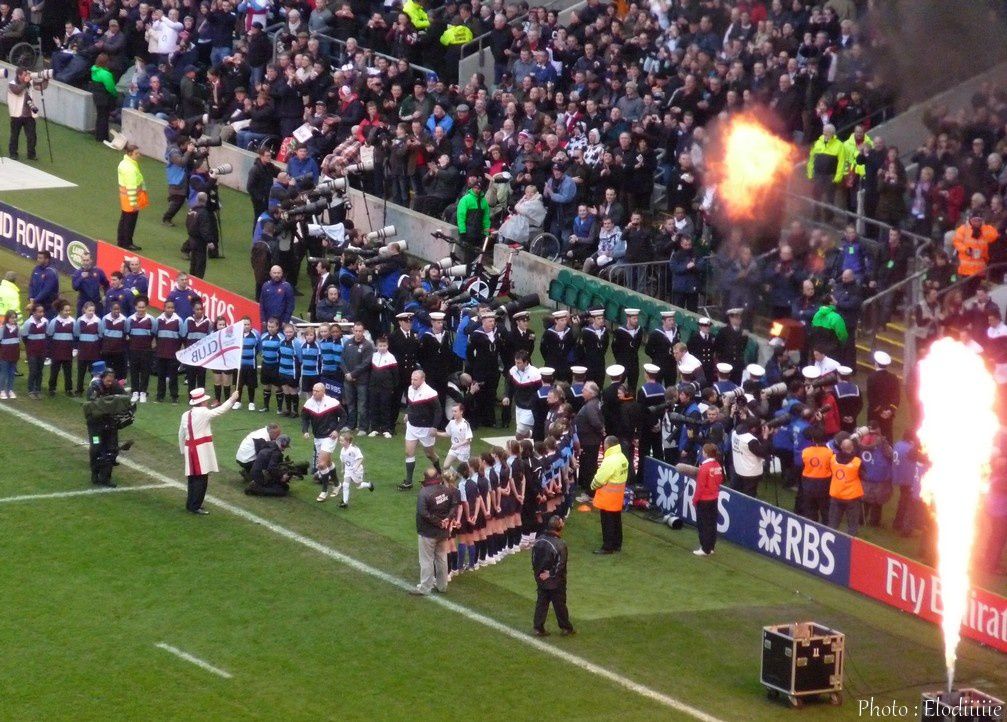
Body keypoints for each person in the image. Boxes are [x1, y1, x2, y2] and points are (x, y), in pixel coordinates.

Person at [178, 386, 240, 514]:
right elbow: (220, 411)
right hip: (200, 449)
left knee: (193, 478)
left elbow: (181, 434)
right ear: (202, 402)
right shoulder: (203, 412)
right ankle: (195, 505)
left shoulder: (186, 414)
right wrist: (232, 399)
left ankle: (191, 504)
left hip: (189, 448)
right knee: (201, 478)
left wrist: (182, 450)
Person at [410, 467, 460, 596]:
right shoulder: (447, 490)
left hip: (428, 533)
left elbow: (423, 513)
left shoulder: (424, 493)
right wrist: (447, 519)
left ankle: (425, 588)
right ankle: (442, 586)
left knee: (426, 560)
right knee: (442, 558)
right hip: (443, 532)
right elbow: (454, 505)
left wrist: (439, 521)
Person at [398, 370, 443, 491]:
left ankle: (440, 474)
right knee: (409, 453)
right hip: (412, 426)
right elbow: (411, 404)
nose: (412, 381)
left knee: (430, 454)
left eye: (415, 380)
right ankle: (408, 482)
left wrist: (434, 426)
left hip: (426, 428)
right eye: (412, 379)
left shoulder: (430, 393)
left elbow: (438, 411)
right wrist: (408, 413)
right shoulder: (410, 388)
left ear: (423, 380)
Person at [531, 514, 575, 637]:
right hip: (556, 581)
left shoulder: (539, 540)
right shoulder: (560, 544)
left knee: (541, 603)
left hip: (540, 578)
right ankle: (566, 627)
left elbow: (534, 559)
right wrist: (550, 574)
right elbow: (560, 565)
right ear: (559, 527)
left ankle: (538, 628)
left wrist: (538, 574)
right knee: (559, 604)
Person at [302, 382, 346, 502]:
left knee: (321, 464)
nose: (314, 393)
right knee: (327, 462)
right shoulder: (309, 403)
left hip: (329, 436)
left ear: (323, 392)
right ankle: (337, 485)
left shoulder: (332, 403)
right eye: (313, 390)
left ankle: (324, 490)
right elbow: (304, 418)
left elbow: (344, 417)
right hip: (317, 436)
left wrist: (337, 431)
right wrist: (305, 431)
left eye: (317, 391)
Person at [591, 435, 628, 554]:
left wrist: (592, 486)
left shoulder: (610, 460)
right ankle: (617, 544)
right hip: (618, 497)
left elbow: (600, 479)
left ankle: (607, 547)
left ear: (608, 445)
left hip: (607, 498)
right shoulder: (622, 457)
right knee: (617, 521)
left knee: (608, 523)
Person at [691, 443, 724, 556]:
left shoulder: (704, 468)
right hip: (714, 498)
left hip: (704, 500)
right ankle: (711, 547)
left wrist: (695, 500)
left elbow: (700, 486)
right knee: (711, 523)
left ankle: (705, 548)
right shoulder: (718, 466)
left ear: (706, 453)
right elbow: (720, 481)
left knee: (703, 524)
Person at [7, 65, 46, 161]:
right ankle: (13, 154)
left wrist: (46, 79)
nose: (26, 76)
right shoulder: (12, 84)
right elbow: (17, 91)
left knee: (32, 136)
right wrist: (26, 82)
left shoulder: (30, 83)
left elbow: (41, 87)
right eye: (24, 75)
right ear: (19, 75)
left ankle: (31, 154)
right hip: (16, 114)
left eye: (27, 74)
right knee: (15, 135)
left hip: (29, 114)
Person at [574, 381, 604, 502]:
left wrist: (602, 430)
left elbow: (595, 421)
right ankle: (589, 489)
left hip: (589, 441)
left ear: (591, 393)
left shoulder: (590, 406)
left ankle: (590, 493)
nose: (582, 391)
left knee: (589, 467)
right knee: (589, 466)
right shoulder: (595, 403)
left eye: (584, 390)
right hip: (591, 440)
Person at [828, 436, 864, 536]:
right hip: (851, 497)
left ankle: (830, 540)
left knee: (833, 523)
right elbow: (864, 475)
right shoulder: (857, 462)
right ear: (852, 448)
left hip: (836, 494)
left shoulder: (833, 458)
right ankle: (851, 544)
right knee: (852, 525)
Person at [117, 144, 147, 251]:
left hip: (125, 197)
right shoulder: (130, 168)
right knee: (130, 221)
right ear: (130, 154)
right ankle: (127, 243)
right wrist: (134, 203)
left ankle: (121, 241)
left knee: (124, 219)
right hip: (131, 198)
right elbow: (131, 187)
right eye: (136, 153)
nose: (138, 155)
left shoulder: (124, 163)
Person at [337, 430, 373, 508]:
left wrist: (356, 467)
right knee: (345, 484)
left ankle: (369, 485)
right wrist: (342, 468)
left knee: (358, 486)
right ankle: (345, 502)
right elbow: (342, 460)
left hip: (357, 471)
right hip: (348, 470)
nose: (340, 442)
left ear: (347, 441)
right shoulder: (342, 450)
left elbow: (360, 458)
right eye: (340, 440)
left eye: (342, 441)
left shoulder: (354, 449)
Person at [185, 192, 216, 279]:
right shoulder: (203, 213)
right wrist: (209, 241)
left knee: (193, 262)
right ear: (206, 200)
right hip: (200, 241)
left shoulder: (191, 210)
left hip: (191, 238)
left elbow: (187, 223)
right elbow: (204, 229)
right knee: (200, 263)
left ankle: (191, 278)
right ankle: (198, 282)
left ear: (197, 199)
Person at [439, 402, 473, 469]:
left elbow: (468, 440)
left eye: (455, 411)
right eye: (452, 411)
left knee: (464, 470)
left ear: (461, 412)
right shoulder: (451, 422)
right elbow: (448, 433)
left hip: (463, 451)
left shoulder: (465, 424)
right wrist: (437, 433)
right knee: (445, 466)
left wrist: (457, 445)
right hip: (454, 449)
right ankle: (453, 475)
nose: (453, 413)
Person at [27, 251, 59, 318]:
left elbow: (46, 290)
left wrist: (34, 301)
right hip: (35, 305)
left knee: (46, 326)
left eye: (40, 258)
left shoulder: (51, 272)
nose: (38, 259)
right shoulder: (36, 269)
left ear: (47, 259)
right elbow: (31, 284)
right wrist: (31, 297)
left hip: (47, 307)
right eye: (38, 257)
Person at [0, 309, 19, 399]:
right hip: (4, 355)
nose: (14, 320)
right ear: (7, 318)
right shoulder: (2, 329)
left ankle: (10, 390)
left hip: (14, 354)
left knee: (12, 373)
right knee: (4, 373)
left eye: (15, 318)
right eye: (12, 318)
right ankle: (2, 390)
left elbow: (19, 339)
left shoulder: (17, 328)